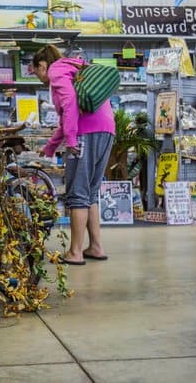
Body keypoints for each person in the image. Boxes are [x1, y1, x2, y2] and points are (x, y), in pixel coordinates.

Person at [32, 45, 115, 264]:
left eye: (36, 71)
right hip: (106, 129)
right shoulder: (75, 67)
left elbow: (70, 104)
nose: (39, 77)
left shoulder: (56, 71)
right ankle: (95, 246)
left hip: (85, 133)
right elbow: (68, 116)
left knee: (78, 193)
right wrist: (50, 147)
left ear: (42, 65)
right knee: (90, 192)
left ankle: (75, 252)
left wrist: (71, 140)